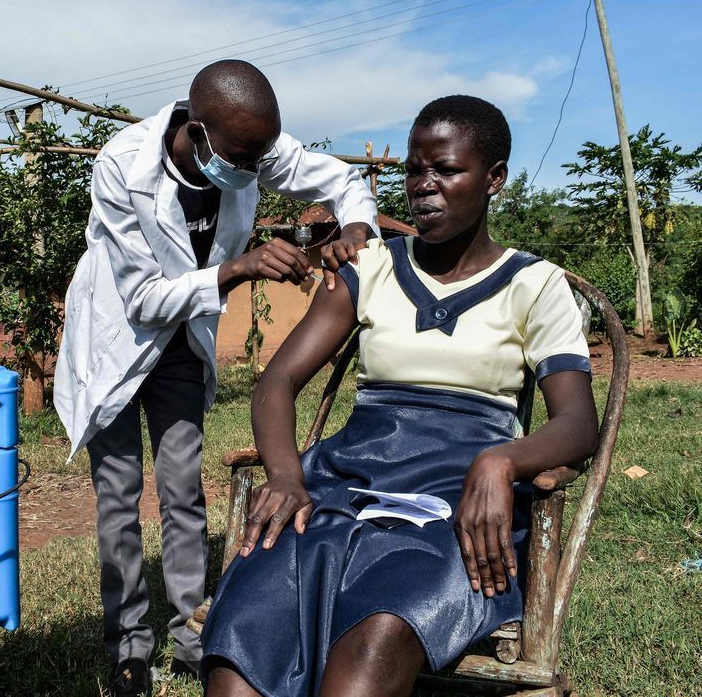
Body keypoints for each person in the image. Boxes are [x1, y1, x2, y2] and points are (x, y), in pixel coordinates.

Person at [200, 95, 599, 697]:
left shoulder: (534, 286)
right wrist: (284, 476)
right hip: (346, 482)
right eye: (414, 170)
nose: (424, 187)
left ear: (494, 180)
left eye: (446, 170)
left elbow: (577, 423)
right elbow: (277, 382)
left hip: (454, 504)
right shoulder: (369, 268)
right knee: (247, 632)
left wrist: (501, 460)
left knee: (376, 639)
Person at [54, 59, 379, 696]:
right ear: (198, 132)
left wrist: (356, 227)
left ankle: (191, 629)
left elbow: (343, 180)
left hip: (181, 343)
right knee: (118, 495)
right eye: (240, 156)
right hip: (118, 339)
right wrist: (240, 267)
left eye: (261, 156)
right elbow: (144, 298)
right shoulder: (123, 168)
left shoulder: (251, 148)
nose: (253, 170)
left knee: (182, 486)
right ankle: (128, 646)